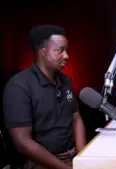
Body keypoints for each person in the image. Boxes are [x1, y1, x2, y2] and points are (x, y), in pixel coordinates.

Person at [3, 25, 86, 169]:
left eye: (67, 50)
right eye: (60, 50)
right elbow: (23, 142)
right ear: (43, 52)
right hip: (41, 163)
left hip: (73, 157)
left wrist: (82, 157)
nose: (66, 56)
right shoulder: (19, 86)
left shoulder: (66, 81)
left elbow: (76, 118)